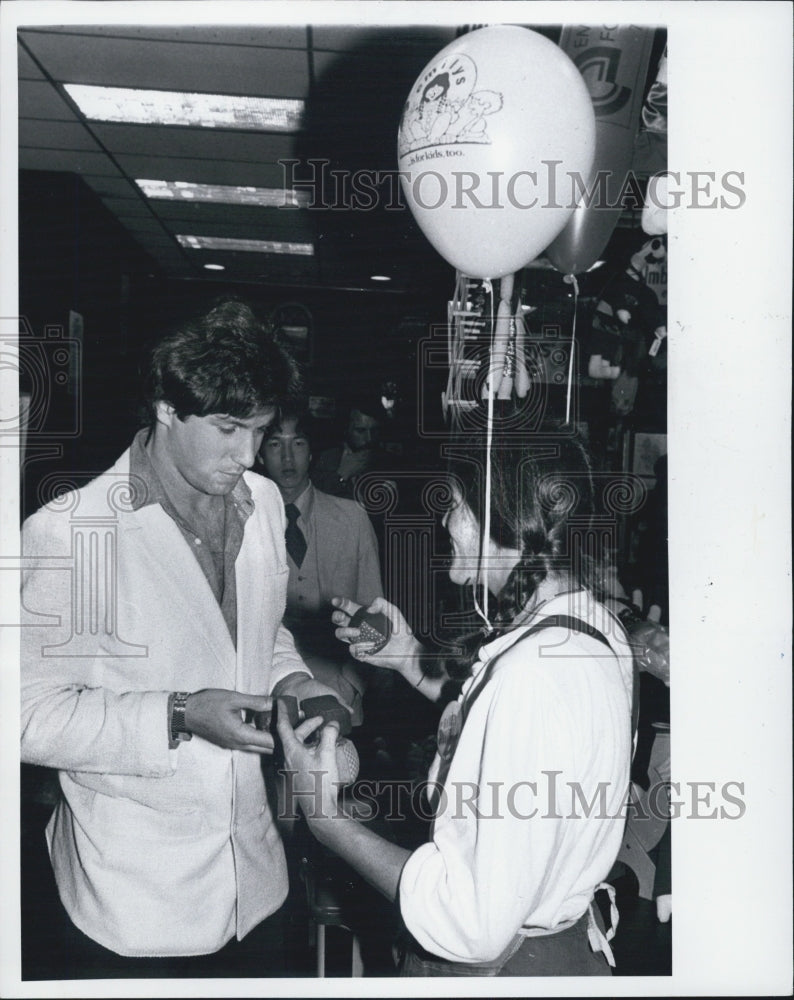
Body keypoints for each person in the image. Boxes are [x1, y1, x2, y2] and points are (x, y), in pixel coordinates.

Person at [19, 298, 344, 976]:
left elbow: (261, 629)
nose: (249, 455)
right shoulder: (76, 532)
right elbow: (24, 717)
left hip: (256, 883)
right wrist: (178, 714)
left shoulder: (262, 505)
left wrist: (294, 681)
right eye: (228, 428)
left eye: (260, 429)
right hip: (132, 902)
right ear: (167, 408)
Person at [276, 429, 635, 976]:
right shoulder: (590, 628)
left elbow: (472, 924)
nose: (446, 522)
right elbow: (506, 722)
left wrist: (324, 817)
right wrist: (407, 657)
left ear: (507, 517)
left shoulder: (531, 677)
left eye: (457, 505)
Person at [257, 403, 384, 725]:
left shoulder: (352, 518)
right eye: (275, 445)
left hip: (339, 696)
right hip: (266, 698)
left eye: (298, 444)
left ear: (312, 452)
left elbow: (373, 612)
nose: (288, 458)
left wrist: (354, 686)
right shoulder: (245, 522)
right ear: (258, 454)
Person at [310, 397, 387, 500]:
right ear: (346, 429)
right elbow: (313, 500)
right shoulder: (327, 459)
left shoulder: (387, 461)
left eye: (374, 431)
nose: (369, 439)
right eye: (360, 431)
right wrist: (342, 475)